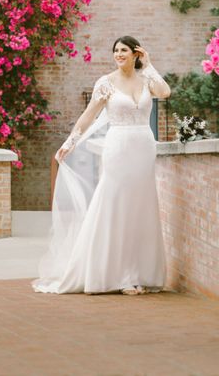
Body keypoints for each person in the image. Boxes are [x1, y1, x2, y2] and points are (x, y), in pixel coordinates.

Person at [32, 35, 171, 295]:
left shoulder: (146, 80)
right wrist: (70, 142)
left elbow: (165, 92)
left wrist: (149, 64)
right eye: (116, 50)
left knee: (141, 208)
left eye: (125, 50)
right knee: (115, 205)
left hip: (143, 147)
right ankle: (119, 275)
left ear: (135, 54)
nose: (119, 54)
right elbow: (88, 116)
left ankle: (140, 272)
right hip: (118, 148)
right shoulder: (105, 83)